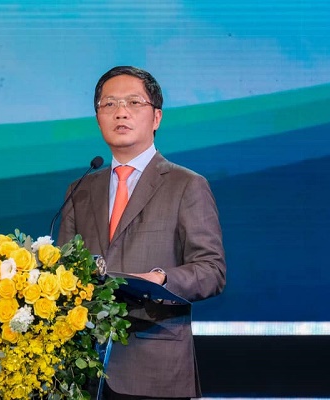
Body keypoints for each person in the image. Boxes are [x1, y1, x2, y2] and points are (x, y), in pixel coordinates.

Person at [58, 66, 227, 399]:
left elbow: (212, 271)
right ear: (98, 118)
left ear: (156, 117)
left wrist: (161, 279)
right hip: (85, 369)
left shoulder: (186, 185)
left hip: (154, 366)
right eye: (109, 104)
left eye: (134, 103)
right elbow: (64, 272)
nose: (120, 112)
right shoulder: (80, 188)